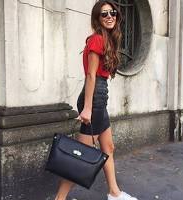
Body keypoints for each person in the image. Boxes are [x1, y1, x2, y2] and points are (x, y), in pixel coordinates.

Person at [54, 1, 138, 200]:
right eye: (104, 14)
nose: (109, 16)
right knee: (79, 156)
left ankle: (114, 193)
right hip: (94, 99)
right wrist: (88, 109)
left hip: (100, 98)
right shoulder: (97, 40)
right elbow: (91, 76)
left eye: (112, 13)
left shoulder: (107, 41)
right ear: (97, 19)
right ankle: (59, 199)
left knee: (108, 148)